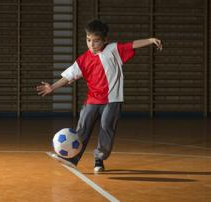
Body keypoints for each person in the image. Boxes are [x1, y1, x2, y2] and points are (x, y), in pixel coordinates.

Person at [36, 19, 162, 172]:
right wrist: (52, 87)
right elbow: (68, 77)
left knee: (106, 128)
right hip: (92, 100)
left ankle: (99, 159)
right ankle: (73, 158)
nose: (91, 44)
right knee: (82, 129)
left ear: (105, 40)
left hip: (112, 100)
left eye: (96, 41)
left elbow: (132, 44)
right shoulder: (83, 60)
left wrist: (150, 40)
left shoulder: (113, 50)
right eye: (89, 40)